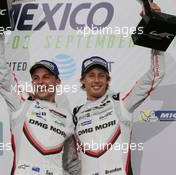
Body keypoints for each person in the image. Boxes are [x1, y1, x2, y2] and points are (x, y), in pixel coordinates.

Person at [70, 3, 165, 175]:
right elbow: (70, 160)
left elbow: (155, 76)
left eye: (101, 75)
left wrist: (155, 28)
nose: (96, 80)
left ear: (108, 80)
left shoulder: (121, 103)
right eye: (91, 75)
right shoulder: (75, 114)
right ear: (83, 81)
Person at [0, 35, 80, 175]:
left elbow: (72, 163)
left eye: (46, 77)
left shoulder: (68, 117)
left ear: (57, 82)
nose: (41, 82)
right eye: (36, 78)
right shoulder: (22, 104)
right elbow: (3, 77)